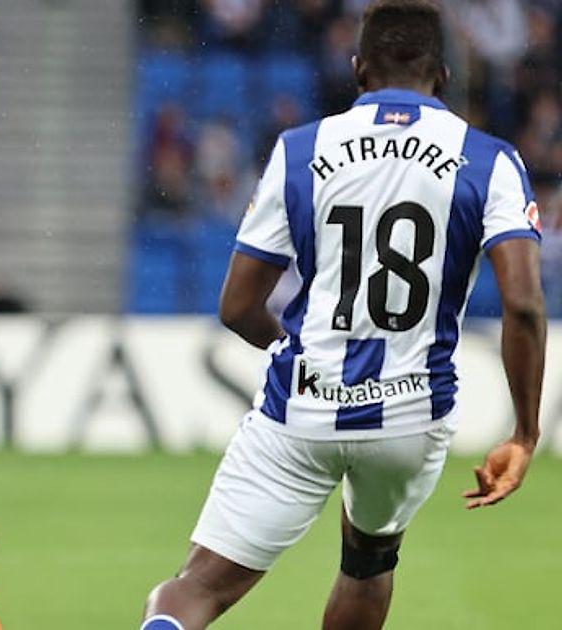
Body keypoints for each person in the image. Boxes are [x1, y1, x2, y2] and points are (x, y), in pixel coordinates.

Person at [140, 2, 546, 629]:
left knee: (197, 587)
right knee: (367, 563)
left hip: (303, 407)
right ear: (442, 75)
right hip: (410, 415)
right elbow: (522, 303)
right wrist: (524, 433)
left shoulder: (300, 150)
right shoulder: (490, 160)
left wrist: (295, 354)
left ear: (357, 69)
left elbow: (238, 306)